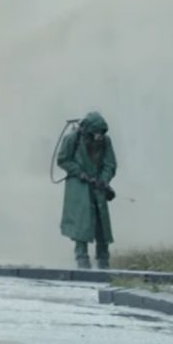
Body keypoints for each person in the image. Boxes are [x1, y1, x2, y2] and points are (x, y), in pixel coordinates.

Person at [57, 111, 117, 269]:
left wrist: (104, 180)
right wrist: (80, 173)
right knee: (81, 222)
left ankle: (104, 259)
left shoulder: (106, 141)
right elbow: (63, 160)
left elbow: (110, 163)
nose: (99, 136)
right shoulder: (72, 139)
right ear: (88, 130)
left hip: (98, 185)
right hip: (78, 186)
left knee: (101, 222)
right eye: (96, 133)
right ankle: (82, 258)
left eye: (102, 133)